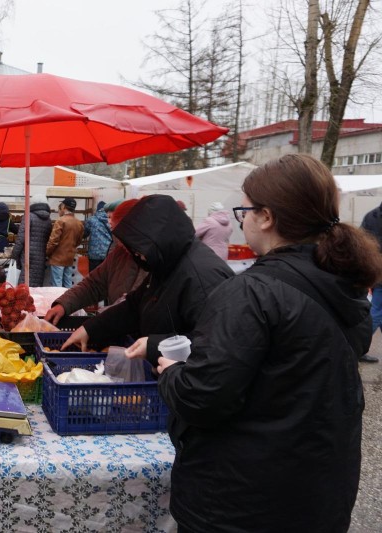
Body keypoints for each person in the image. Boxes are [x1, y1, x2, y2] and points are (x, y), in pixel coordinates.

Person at [152, 154, 382, 532]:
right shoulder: (343, 282)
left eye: (246, 210)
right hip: (319, 492)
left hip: (243, 504)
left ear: (267, 216)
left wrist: (174, 372)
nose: (242, 220)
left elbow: (202, 396)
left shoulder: (252, 292)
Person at [61, 194, 233, 362]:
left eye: (138, 248)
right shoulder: (166, 263)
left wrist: (153, 346)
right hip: (164, 373)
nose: (136, 255)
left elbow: (216, 345)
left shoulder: (201, 276)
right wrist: (90, 328)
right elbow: (134, 305)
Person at [44, 199, 146, 324]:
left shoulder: (68, 221)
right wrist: (63, 304)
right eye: (108, 217)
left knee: (57, 283)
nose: (109, 223)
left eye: (111, 218)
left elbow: (55, 240)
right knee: (65, 284)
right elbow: (94, 284)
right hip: (72, 256)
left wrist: (48, 252)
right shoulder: (119, 252)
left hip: (142, 334)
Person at [11, 194, 53, 287]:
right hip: (41, 255)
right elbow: (48, 239)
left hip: (27, 255)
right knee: (37, 286)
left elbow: (21, 238)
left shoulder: (28, 216)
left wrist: (14, 255)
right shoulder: (48, 220)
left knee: (24, 284)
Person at [46, 197, 85, 288]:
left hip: (57, 258)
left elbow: (53, 241)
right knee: (67, 283)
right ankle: (67, 302)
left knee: (57, 285)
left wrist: (47, 253)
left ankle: (57, 302)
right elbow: (78, 241)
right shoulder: (79, 223)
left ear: (63, 206)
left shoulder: (60, 221)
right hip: (69, 257)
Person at [361, 200, 382, 363]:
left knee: (378, 309)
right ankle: (361, 347)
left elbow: (362, 243)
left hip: (375, 267)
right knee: (376, 311)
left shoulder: (371, 215)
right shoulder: (374, 216)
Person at [83, 200, 112, 272]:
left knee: (94, 277)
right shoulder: (111, 220)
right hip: (108, 253)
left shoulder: (92, 220)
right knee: (105, 276)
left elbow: (84, 234)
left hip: (94, 254)